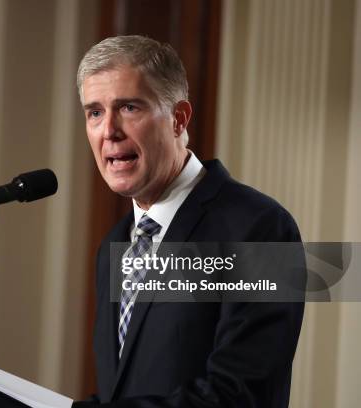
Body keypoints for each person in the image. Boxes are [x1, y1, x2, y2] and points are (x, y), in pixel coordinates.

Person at [73, 35, 305, 407]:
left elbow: (241, 396)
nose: (109, 131)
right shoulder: (115, 243)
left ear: (179, 119)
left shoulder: (259, 229)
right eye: (95, 112)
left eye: (129, 107)